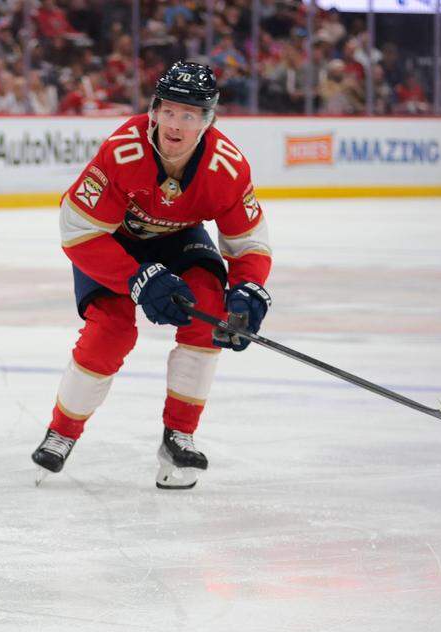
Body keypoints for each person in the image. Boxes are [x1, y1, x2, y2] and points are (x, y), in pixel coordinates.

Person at [31, 61, 272, 490]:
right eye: (168, 111)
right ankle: (62, 432)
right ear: (154, 111)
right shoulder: (123, 150)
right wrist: (139, 276)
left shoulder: (228, 168)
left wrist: (250, 288)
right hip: (111, 241)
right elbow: (78, 231)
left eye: (189, 115)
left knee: (209, 313)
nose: (175, 125)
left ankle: (179, 435)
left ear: (208, 121)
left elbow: (249, 243)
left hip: (179, 239)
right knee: (112, 329)